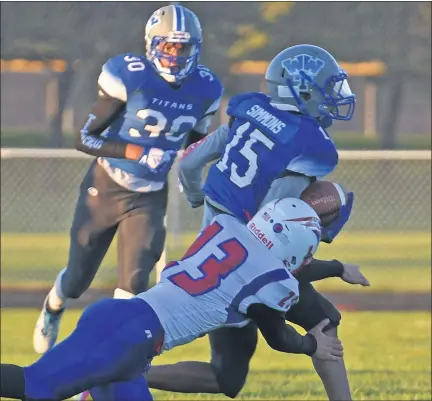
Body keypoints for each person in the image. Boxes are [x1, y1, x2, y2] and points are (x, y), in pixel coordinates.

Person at [147, 44, 360, 400]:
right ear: (303, 90)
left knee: (226, 376)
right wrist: (332, 259)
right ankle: (123, 374)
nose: (332, 98)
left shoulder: (250, 110)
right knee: (324, 320)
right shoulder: (311, 145)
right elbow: (275, 233)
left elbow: (187, 164)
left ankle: (119, 374)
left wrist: (198, 197)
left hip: (212, 255)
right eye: (326, 88)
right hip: (250, 261)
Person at [1, 198, 346, 401]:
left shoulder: (225, 227)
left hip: (130, 339)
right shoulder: (270, 280)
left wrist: (336, 269)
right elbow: (279, 336)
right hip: (128, 336)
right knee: (38, 386)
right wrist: (311, 346)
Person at [33, 4, 223, 355]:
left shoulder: (205, 88)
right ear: (153, 44)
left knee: (134, 285)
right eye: (169, 46)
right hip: (106, 186)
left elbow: (195, 142)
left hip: (149, 196)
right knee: (77, 279)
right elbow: (85, 138)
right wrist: (136, 153)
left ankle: (103, 360)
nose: (176, 54)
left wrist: (189, 167)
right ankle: (54, 304)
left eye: (183, 47)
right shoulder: (129, 76)